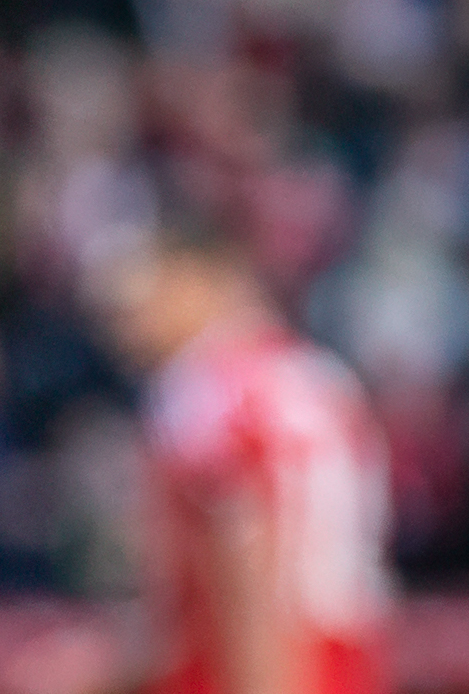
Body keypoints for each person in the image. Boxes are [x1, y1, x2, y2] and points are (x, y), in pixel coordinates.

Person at [106, 231, 394, 694]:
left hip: (252, 669)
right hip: (336, 660)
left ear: (202, 281)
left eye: (146, 296)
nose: (128, 322)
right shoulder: (318, 377)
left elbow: (246, 553)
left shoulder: (208, 389)